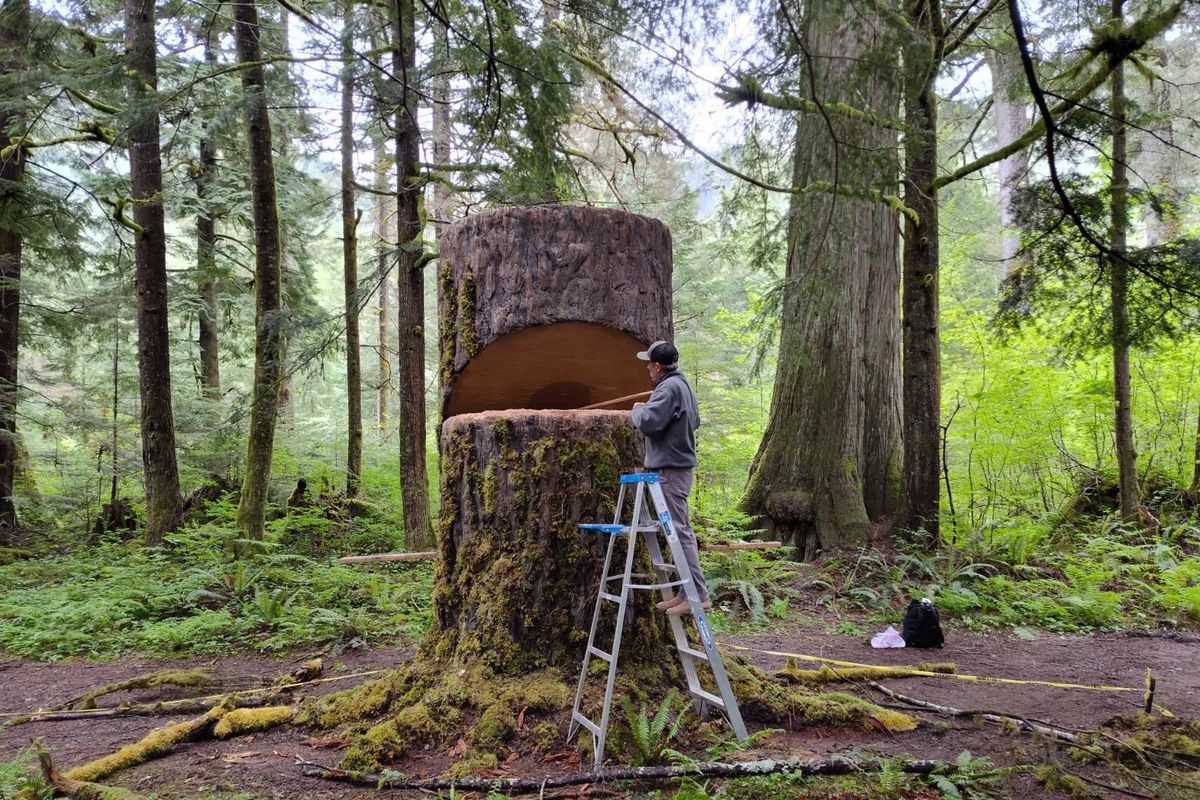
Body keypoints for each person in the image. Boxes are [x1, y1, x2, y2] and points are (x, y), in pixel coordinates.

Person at [630, 340, 711, 615]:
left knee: (680, 533)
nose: (647, 369)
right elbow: (695, 420)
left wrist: (638, 408)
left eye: (649, 364)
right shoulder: (683, 385)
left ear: (657, 366)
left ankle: (698, 595)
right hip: (676, 468)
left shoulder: (668, 388)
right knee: (677, 531)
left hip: (669, 470)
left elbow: (649, 422)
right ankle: (685, 592)